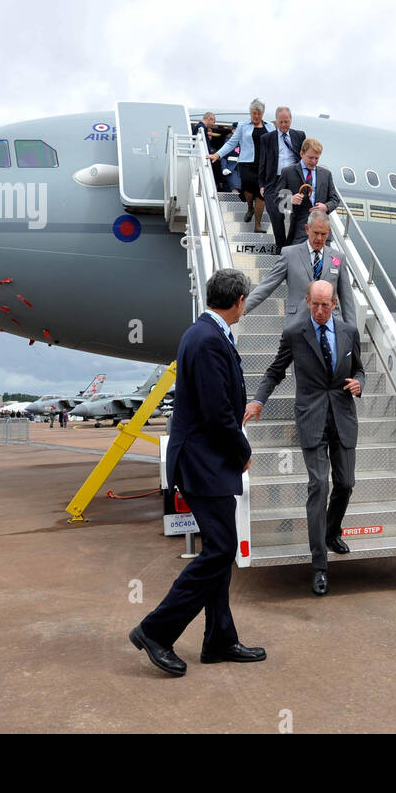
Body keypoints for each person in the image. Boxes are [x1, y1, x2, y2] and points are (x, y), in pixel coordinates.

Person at [131, 268, 266, 676]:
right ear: (239, 301)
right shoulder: (208, 339)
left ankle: (219, 639)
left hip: (206, 461)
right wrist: (241, 449)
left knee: (218, 552)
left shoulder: (204, 334)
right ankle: (156, 630)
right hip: (205, 462)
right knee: (220, 551)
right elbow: (216, 412)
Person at [244, 280, 364, 596]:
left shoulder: (350, 332)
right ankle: (319, 567)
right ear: (307, 301)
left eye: (326, 305)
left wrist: (359, 383)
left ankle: (331, 530)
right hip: (311, 418)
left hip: (342, 417)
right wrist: (258, 400)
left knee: (346, 483)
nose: (320, 311)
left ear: (335, 304)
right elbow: (274, 371)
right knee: (318, 487)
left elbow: (360, 369)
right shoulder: (295, 333)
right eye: (315, 304)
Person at [245, 211, 357, 329]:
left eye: (323, 234)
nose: (319, 238)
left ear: (329, 232)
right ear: (307, 229)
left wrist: (352, 332)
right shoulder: (289, 254)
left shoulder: (339, 258)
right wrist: (242, 308)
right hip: (297, 324)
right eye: (316, 233)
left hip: (330, 325)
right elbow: (267, 285)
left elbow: (347, 299)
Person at [214, 99, 274, 231]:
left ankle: (257, 225)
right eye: (254, 113)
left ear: (263, 114)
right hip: (246, 163)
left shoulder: (270, 127)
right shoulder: (242, 125)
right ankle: (249, 208)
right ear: (250, 112)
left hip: (263, 165)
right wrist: (217, 155)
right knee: (247, 189)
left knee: (261, 193)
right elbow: (231, 143)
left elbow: (276, 146)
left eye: (259, 114)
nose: (256, 116)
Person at [271, 137, 341, 248]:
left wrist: (326, 207)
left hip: (322, 230)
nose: (313, 161)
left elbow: (335, 199)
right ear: (302, 153)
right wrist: (290, 200)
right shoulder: (288, 172)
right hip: (299, 229)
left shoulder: (326, 174)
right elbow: (276, 198)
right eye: (310, 157)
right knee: (298, 262)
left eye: (317, 158)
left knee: (322, 263)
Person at [258, 106, 306, 252]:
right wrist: (262, 184)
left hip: (293, 179)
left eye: (286, 121)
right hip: (274, 180)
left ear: (291, 120)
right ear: (276, 121)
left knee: (293, 215)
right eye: (281, 122)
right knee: (276, 213)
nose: (284, 125)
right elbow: (262, 162)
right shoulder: (267, 138)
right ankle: (281, 246)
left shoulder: (299, 135)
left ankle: (289, 247)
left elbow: (303, 157)